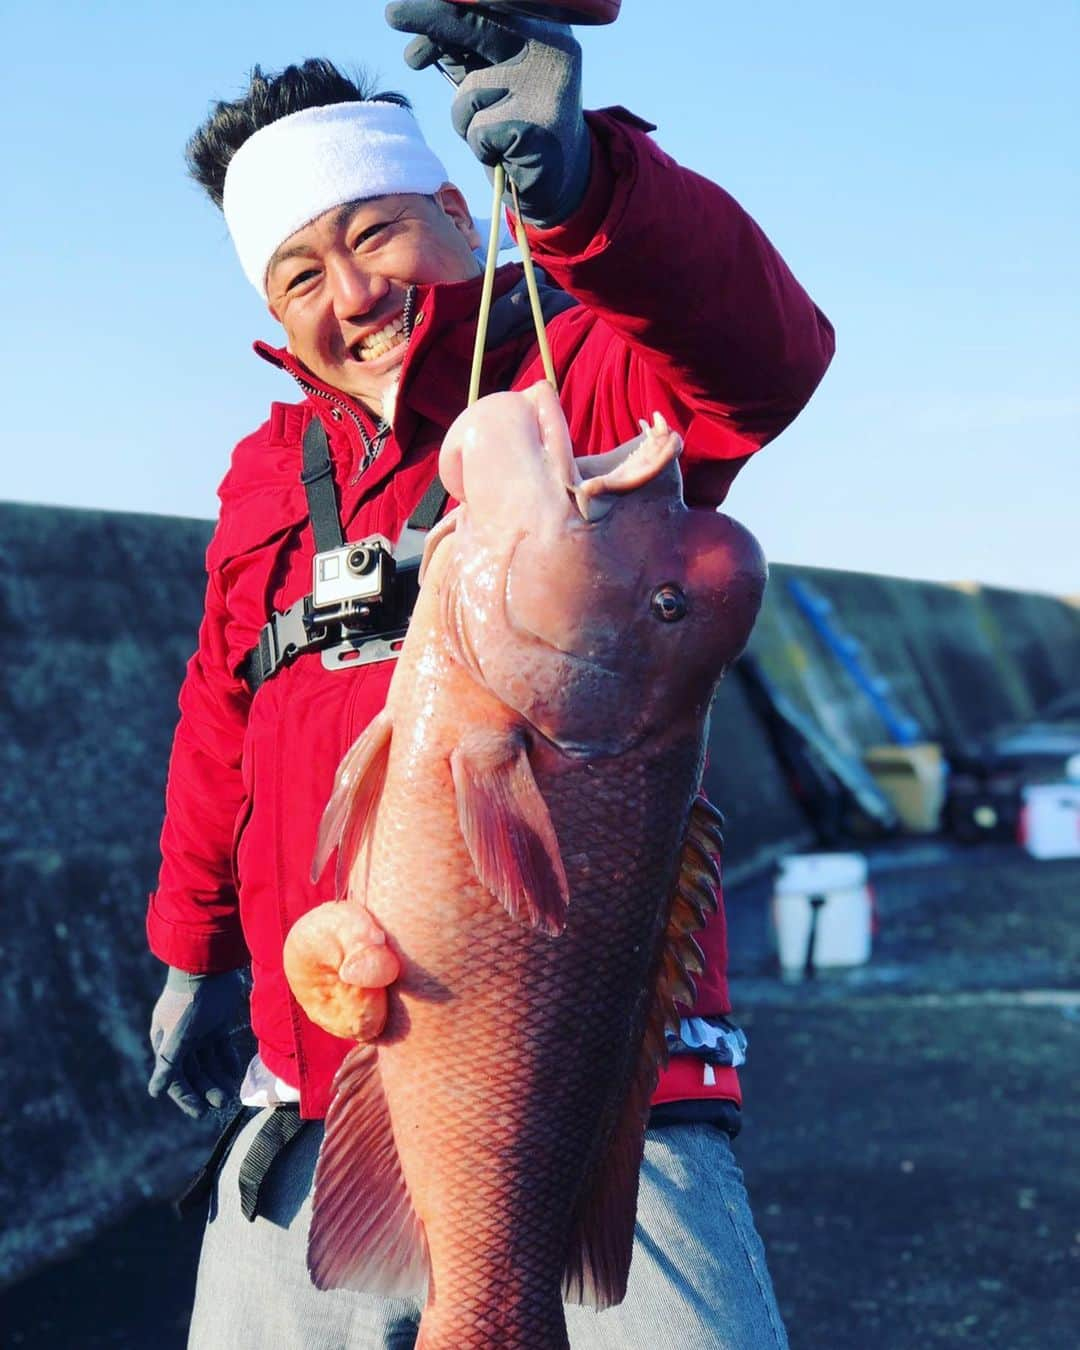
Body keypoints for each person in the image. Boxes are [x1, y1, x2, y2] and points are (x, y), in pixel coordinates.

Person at [147, 4, 834, 1346]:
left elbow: (765, 357)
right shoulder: (261, 479)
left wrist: (590, 188)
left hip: (589, 1088)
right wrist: (189, 948)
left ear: (459, 209)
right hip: (313, 1072)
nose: (351, 293)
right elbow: (221, 717)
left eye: (374, 229)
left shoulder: (581, 363)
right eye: (298, 274)